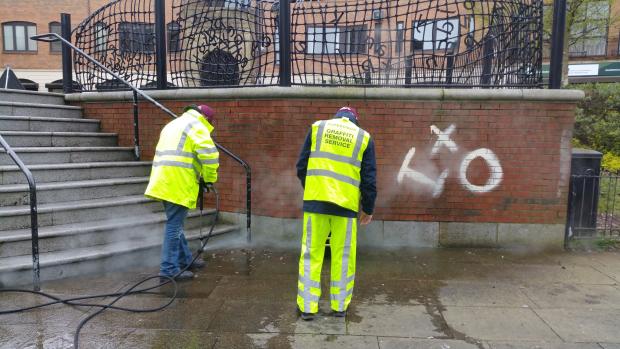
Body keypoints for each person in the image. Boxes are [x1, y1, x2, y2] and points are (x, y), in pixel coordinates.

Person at [295, 106, 377, 320]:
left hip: (316, 203)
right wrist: (367, 208)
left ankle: (307, 307)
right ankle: (340, 306)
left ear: (336, 117)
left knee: (311, 253)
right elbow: (369, 178)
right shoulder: (363, 137)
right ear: (354, 120)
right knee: (343, 256)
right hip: (346, 207)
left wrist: (312, 188)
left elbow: (301, 166)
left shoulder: (317, 128)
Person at [145, 104, 219, 281]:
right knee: (174, 227)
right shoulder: (197, 126)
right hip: (179, 182)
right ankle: (168, 269)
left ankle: (185, 259)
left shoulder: (174, 123)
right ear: (207, 119)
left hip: (164, 181)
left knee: (176, 224)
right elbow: (209, 155)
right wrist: (209, 179)